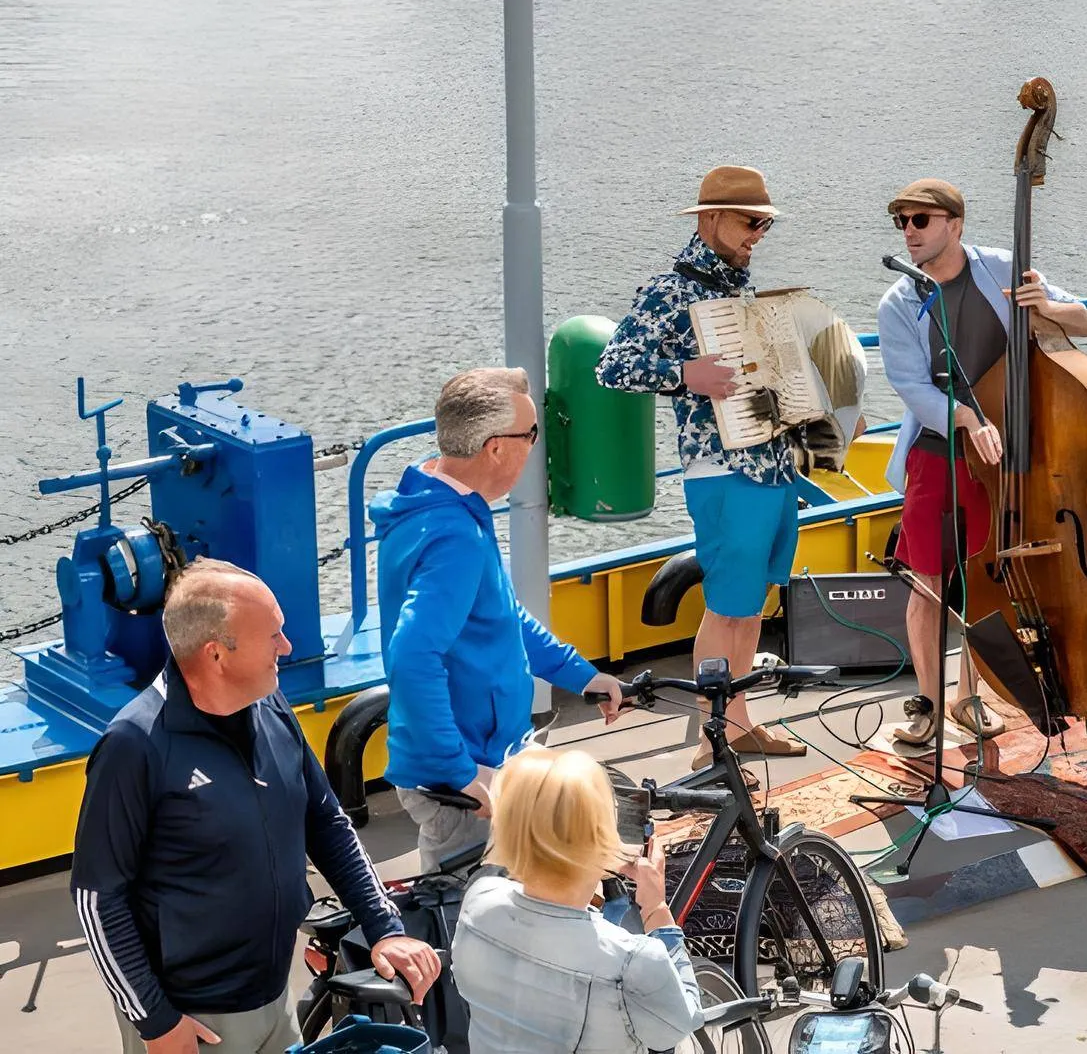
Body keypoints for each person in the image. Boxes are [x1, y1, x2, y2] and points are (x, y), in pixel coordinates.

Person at [70, 560, 441, 1054]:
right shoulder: (134, 745)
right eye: (273, 636)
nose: (286, 648)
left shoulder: (269, 704)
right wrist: (155, 1020)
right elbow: (97, 899)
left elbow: (326, 821)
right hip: (193, 1019)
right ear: (216, 655)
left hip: (271, 998)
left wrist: (383, 926)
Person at [595, 165, 807, 772]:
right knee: (725, 604)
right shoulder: (671, 287)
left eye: (765, 223)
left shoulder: (742, 285)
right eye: (750, 221)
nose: (759, 233)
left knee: (752, 601)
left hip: (769, 462)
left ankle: (738, 727)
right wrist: (688, 375)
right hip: (720, 468)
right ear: (710, 218)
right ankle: (709, 741)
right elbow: (613, 367)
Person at [373, 367, 626, 870]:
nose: (536, 445)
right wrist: (461, 772)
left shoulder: (442, 501)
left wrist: (581, 674)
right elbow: (412, 654)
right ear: (494, 448)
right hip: (467, 772)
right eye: (531, 434)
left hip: (485, 751)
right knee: (470, 921)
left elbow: (503, 618)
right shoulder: (455, 537)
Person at [874, 178, 1087, 745]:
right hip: (938, 453)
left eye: (921, 220)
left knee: (981, 581)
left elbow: (1084, 320)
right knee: (928, 583)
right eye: (902, 222)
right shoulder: (899, 302)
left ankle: (969, 695)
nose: (910, 232)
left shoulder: (1002, 268)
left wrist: (1047, 305)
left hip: (1010, 457)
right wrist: (969, 420)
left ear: (955, 223)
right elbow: (911, 387)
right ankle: (927, 700)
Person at [453, 748, 707, 1054]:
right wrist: (656, 910)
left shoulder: (478, 901)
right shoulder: (634, 959)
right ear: (603, 835)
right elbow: (679, 1024)